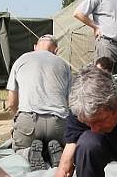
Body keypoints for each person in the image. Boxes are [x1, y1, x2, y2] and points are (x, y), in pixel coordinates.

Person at [7, 34, 72, 170]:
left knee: (18, 148)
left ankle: (29, 152)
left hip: (29, 122)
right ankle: (56, 149)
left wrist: (16, 120)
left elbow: (11, 102)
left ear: (35, 47)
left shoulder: (21, 60)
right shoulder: (64, 65)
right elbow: (69, 102)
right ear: (56, 50)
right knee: (60, 142)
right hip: (58, 124)